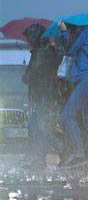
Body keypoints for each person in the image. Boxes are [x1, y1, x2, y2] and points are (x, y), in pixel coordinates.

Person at [57, 21, 88, 168]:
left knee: (66, 116)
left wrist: (64, 32)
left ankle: (78, 154)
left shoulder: (84, 32)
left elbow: (69, 49)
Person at [20, 24, 61, 169]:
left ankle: (63, 150)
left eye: (28, 38)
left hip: (42, 96)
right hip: (44, 95)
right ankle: (39, 158)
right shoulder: (44, 52)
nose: (27, 41)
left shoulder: (41, 53)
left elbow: (30, 75)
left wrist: (26, 76)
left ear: (34, 37)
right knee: (40, 127)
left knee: (38, 127)